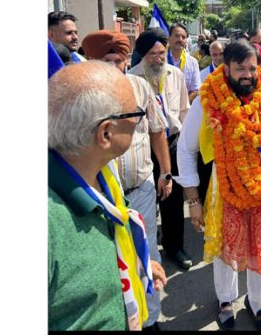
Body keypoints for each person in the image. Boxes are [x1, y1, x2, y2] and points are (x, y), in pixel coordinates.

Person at [176, 41, 261, 331]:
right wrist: (193, 200)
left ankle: (256, 303)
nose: (247, 74)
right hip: (226, 184)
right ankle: (226, 300)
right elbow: (185, 149)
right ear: (225, 68)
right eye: (239, 68)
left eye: (251, 68)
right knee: (227, 247)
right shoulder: (206, 101)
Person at [48, 61, 167, 331]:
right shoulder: (48, 221)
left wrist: (138, 260)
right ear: (106, 133)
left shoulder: (102, 174)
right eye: (136, 114)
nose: (140, 120)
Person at [81, 31, 172, 330]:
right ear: (93, 62)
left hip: (142, 187)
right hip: (100, 197)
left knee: (147, 253)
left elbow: (158, 130)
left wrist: (165, 172)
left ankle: (152, 318)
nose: (114, 67)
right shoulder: (82, 95)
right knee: (112, 260)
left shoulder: (140, 86)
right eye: (106, 61)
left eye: (119, 60)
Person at [128, 28, 193, 270]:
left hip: (173, 143)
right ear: (142, 55)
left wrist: (187, 145)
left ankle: (175, 245)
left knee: (173, 198)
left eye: (162, 53)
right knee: (147, 197)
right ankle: (145, 249)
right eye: (153, 54)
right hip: (145, 146)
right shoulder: (132, 79)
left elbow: (184, 109)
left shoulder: (175, 74)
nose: (159, 58)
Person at [167, 23, 201, 103]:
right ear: (169, 38)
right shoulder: (160, 60)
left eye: (183, 37)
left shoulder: (192, 62)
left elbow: (195, 90)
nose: (180, 39)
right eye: (177, 36)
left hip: (184, 111)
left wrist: (181, 106)